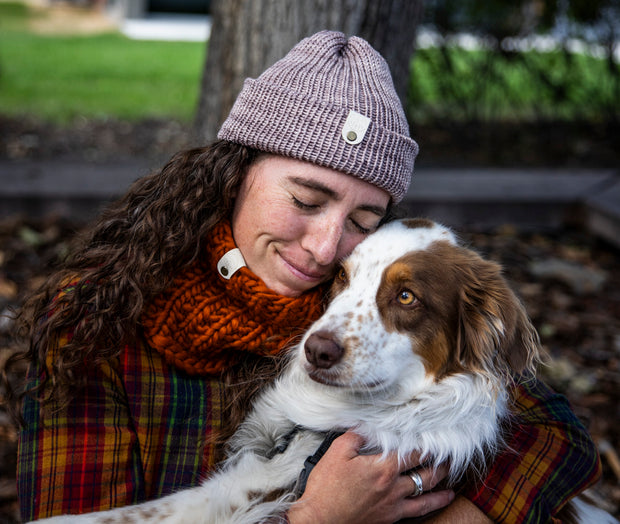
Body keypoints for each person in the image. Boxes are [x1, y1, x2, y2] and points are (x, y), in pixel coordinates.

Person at [8, 31, 601, 523]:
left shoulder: (352, 294)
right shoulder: (97, 319)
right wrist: (317, 520)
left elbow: (557, 436)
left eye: (362, 220)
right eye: (306, 199)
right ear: (236, 172)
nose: (323, 249)